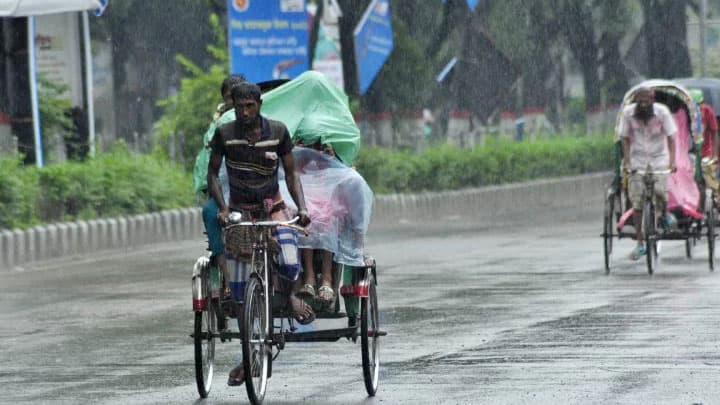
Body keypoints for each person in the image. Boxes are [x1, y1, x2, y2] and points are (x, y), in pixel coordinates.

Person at [207, 81, 312, 386]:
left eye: (250, 106)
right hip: (241, 209)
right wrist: (223, 207)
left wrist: (301, 207)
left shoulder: (278, 132)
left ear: (259, 104)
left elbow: (291, 173)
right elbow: (212, 173)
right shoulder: (225, 134)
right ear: (234, 107)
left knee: (291, 260)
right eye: (239, 106)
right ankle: (247, 352)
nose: (245, 111)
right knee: (239, 292)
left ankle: (290, 296)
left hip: (274, 205)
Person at [193, 74, 245, 296]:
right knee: (210, 211)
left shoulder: (267, 125)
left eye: (239, 98)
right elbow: (210, 170)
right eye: (229, 98)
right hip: (225, 192)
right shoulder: (220, 128)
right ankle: (228, 277)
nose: (234, 104)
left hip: (258, 191)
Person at [618, 87, 678, 261]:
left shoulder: (662, 113)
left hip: (659, 157)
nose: (643, 105)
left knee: (660, 192)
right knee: (637, 201)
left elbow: (672, 137)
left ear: (653, 100)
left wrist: (672, 161)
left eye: (647, 101)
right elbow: (624, 138)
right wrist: (628, 161)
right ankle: (640, 243)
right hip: (637, 159)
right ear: (636, 102)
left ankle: (664, 214)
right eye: (640, 102)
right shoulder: (629, 113)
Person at [690, 88, 719, 192]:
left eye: (699, 105)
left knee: (710, 179)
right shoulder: (686, 113)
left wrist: (714, 155)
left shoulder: (707, 111)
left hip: (706, 151)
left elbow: (714, 132)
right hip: (690, 152)